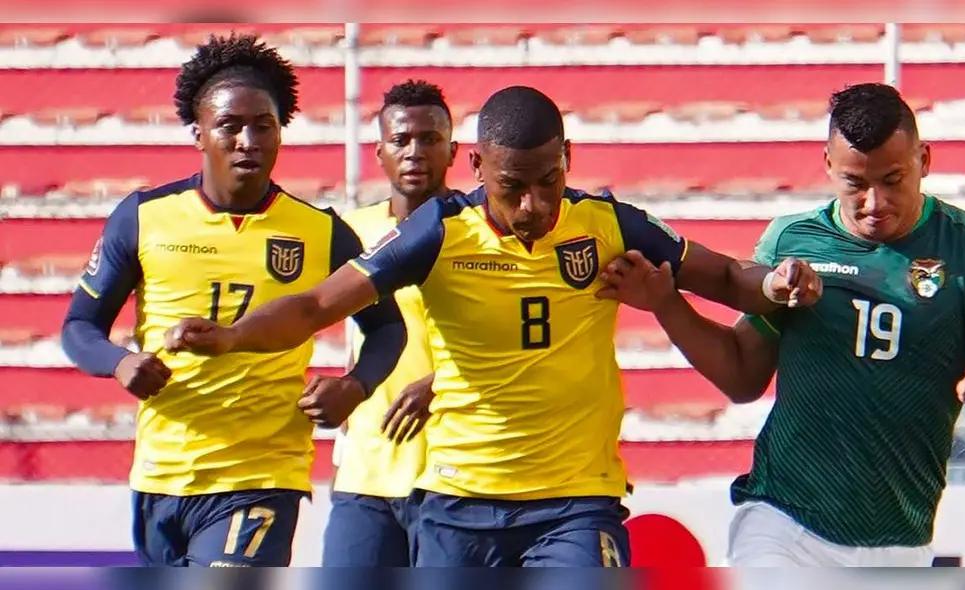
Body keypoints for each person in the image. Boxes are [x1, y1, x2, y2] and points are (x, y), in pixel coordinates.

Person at [163, 85, 821, 568]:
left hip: (573, 505)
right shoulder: (438, 232)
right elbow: (315, 306)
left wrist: (776, 283)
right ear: (477, 167)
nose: (534, 204)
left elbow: (728, 277)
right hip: (455, 504)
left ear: (569, 157)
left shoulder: (606, 223)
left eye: (549, 181)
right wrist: (229, 335)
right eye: (513, 187)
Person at [598, 82, 965, 568]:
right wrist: (667, 304)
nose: (874, 203)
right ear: (829, 166)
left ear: (924, 161)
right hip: (785, 524)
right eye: (855, 183)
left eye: (892, 179)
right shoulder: (796, 242)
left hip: (900, 543)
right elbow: (743, 375)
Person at [60, 33, 406, 567]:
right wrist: (120, 361)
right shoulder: (144, 216)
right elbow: (80, 326)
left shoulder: (321, 232)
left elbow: (387, 327)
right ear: (199, 133)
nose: (248, 140)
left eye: (263, 126)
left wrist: (356, 386)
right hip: (162, 474)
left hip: (260, 475)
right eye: (230, 126)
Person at [323, 79, 459, 567]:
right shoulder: (349, 233)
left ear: (454, 151)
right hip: (368, 472)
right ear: (379, 153)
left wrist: (444, 382)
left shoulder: (482, 231)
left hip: (454, 476)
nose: (415, 152)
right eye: (401, 141)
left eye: (429, 139)